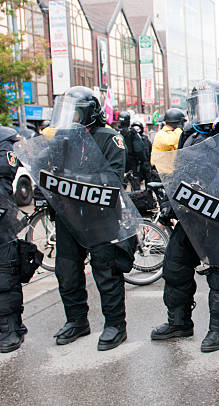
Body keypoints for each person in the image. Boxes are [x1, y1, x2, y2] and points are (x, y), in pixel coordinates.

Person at [151, 80, 219, 353]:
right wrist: (169, 203)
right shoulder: (189, 135)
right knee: (174, 268)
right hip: (191, 218)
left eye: (211, 103)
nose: (205, 110)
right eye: (199, 104)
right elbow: (178, 174)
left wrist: (216, 183)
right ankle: (179, 322)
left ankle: (218, 331)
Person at [44, 86, 136, 351]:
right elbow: (46, 168)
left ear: (90, 113)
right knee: (67, 272)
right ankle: (76, 321)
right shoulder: (62, 139)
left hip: (100, 218)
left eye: (76, 113)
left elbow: (113, 178)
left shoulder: (110, 138)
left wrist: (76, 180)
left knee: (106, 272)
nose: (71, 118)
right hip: (69, 216)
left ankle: (115, 325)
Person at [0, 127, 29, 353]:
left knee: (5, 274)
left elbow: (5, 174)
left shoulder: (4, 139)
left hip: (1, 221)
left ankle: (10, 328)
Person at [118, 112, 147, 190]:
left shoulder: (115, 132)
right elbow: (139, 149)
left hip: (120, 162)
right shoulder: (132, 133)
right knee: (135, 186)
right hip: (132, 162)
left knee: (120, 187)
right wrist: (143, 160)